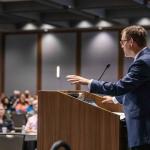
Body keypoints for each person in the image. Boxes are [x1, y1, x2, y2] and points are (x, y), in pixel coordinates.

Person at [66, 25, 150, 150]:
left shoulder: (142, 62)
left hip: (143, 129)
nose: (121, 45)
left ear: (131, 42)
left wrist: (89, 82)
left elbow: (119, 87)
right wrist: (116, 99)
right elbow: (138, 88)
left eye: (122, 41)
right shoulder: (145, 59)